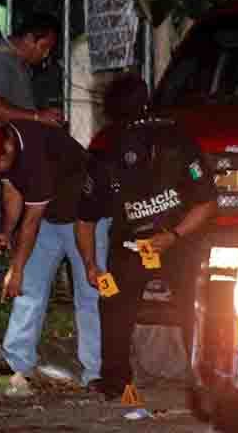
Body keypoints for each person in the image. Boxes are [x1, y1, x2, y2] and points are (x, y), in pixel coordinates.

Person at [75, 74, 217, 399]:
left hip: (174, 242)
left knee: (188, 310)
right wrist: (91, 264)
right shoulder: (172, 137)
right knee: (123, 307)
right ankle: (119, 383)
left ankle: (202, 382)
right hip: (152, 242)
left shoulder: (118, 145)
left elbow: (84, 220)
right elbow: (208, 202)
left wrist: (90, 264)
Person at [0, 119, 105, 393]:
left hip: (85, 218)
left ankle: (96, 372)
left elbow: (31, 221)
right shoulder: (5, 147)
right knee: (29, 286)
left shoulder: (35, 154)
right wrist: (6, 232)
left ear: (7, 149)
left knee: (89, 293)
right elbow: (12, 191)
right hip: (51, 217)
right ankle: (17, 360)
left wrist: (14, 269)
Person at [0, 13, 63, 249]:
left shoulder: (15, 63)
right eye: (44, 47)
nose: (46, 54)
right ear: (30, 39)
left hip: (7, 153)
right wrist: (36, 117)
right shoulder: (2, 61)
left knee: (3, 221)